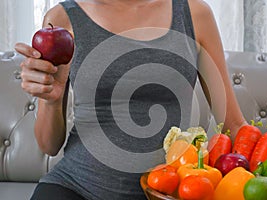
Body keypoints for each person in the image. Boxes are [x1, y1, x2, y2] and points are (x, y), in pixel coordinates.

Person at [15, 0, 247, 199]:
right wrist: (52, 100)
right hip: (75, 187)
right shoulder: (62, 18)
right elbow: (49, 145)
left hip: (167, 192)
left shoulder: (195, 14)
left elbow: (233, 124)